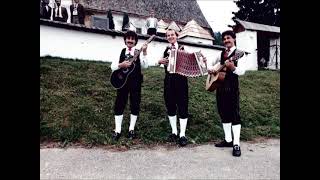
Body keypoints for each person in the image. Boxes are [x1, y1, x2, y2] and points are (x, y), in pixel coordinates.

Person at [207, 30, 249, 157]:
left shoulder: (240, 54)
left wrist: (232, 67)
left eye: (228, 38)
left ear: (234, 39)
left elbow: (242, 71)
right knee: (223, 112)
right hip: (220, 86)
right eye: (224, 39)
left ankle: (236, 144)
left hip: (232, 87)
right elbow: (213, 65)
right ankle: (228, 140)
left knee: (234, 114)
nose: (226, 40)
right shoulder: (221, 53)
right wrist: (211, 69)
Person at [111, 30, 149, 141]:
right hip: (122, 82)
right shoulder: (121, 51)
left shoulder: (138, 52)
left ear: (135, 41)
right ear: (125, 40)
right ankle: (117, 130)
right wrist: (120, 65)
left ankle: (131, 129)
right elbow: (112, 66)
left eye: (132, 39)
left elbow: (145, 66)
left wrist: (145, 52)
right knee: (119, 104)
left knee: (135, 104)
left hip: (135, 83)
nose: (130, 40)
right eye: (128, 38)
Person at [157, 29, 189, 146]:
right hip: (169, 81)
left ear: (177, 36)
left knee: (183, 106)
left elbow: (190, 61)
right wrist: (159, 61)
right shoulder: (166, 50)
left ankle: (182, 135)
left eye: (172, 35)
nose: (170, 37)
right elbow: (161, 63)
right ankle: (174, 132)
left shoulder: (183, 48)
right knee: (170, 105)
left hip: (181, 81)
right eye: (168, 35)